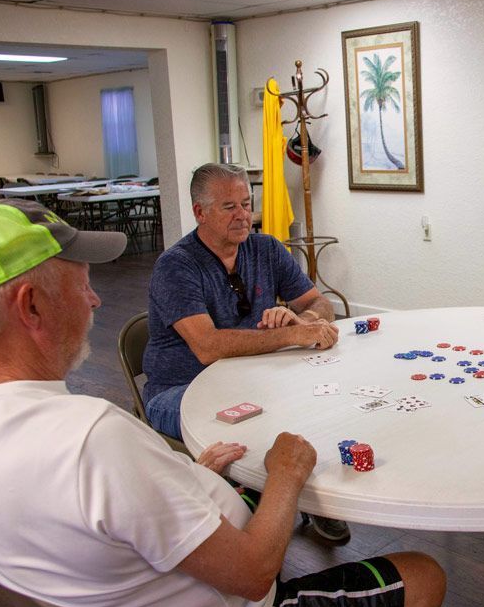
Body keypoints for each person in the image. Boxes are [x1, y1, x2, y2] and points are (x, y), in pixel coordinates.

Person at [0, 200, 446, 607]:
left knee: (250, 468)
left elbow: (108, 515)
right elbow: (256, 573)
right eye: (81, 285)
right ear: (30, 306)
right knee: (425, 577)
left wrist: (187, 479)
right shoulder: (93, 439)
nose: (95, 301)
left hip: (141, 599)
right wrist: (286, 472)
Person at [143, 163, 349, 541]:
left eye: (246, 203)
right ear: (199, 212)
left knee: (316, 408)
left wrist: (299, 316)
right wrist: (292, 336)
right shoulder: (176, 266)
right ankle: (258, 518)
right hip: (180, 391)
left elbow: (320, 304)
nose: (243, 216)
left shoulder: (266, 248)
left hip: (252, 381)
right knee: (257, 430)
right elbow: (207, 347)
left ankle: (315, 501)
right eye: (229, 207)